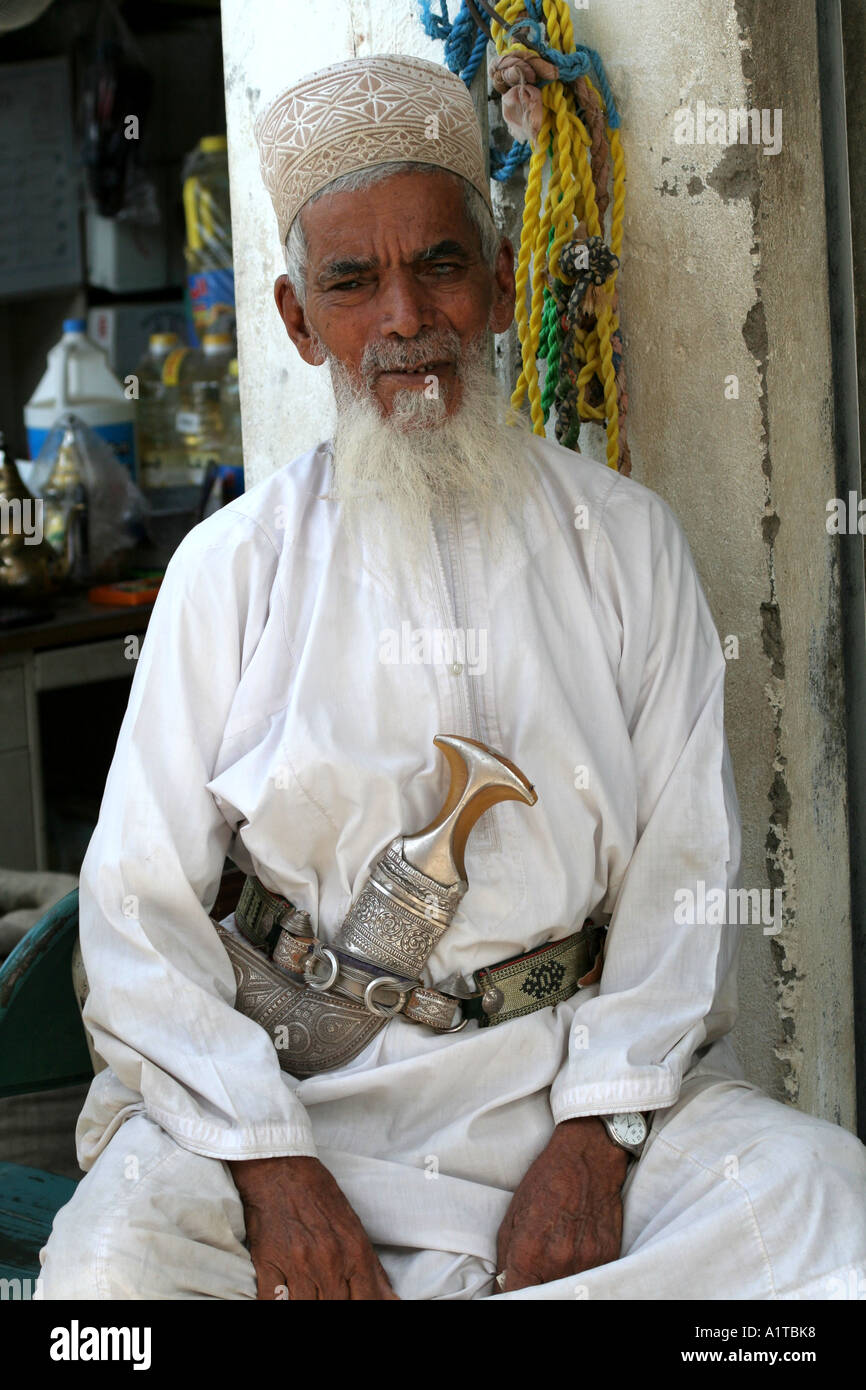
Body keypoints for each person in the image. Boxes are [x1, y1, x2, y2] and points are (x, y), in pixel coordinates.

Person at [37, 54, 866, 1301]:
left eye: (438, 265)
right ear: (295, 320)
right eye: (351, 282)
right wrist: (270, 1166)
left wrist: (597, 1131)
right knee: (109, 1281)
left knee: (820, 1206)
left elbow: (685, 878)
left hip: (562, 1080)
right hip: (295, 1097)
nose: (404, 319)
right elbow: (137, 914)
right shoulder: (230, 570)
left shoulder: (625, 543)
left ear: (499, 284)